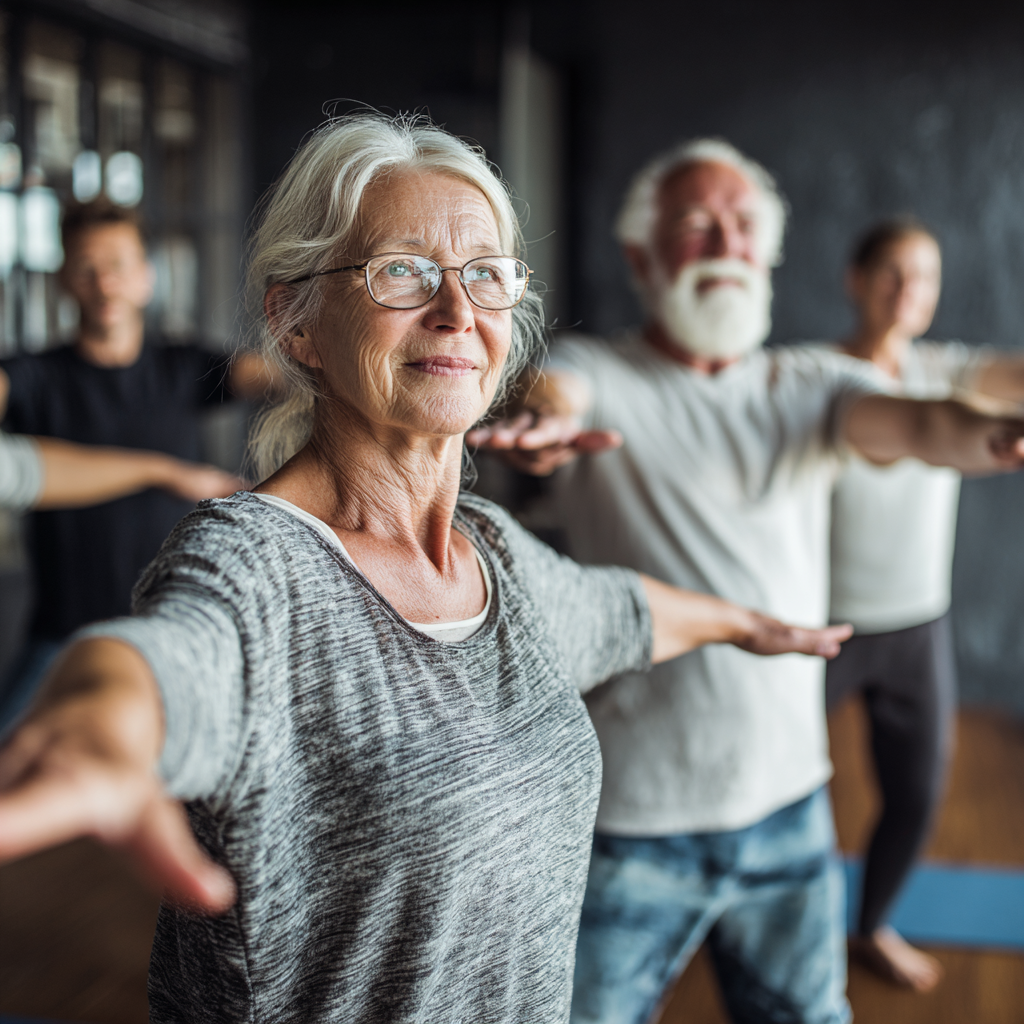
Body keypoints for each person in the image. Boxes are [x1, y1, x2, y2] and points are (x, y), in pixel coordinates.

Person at [0, 115, 851, 1024]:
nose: (456, 313)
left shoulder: (494, 555)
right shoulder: (257, 564)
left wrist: (745, 623)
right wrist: (103, 722)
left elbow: (619, 609)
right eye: (401, 271)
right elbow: (171, 657)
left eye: (485, 274)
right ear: (297, 323)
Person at [470, 139, 1024, 1024]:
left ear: (767, 254)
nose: (725, 242)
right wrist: (539, 415)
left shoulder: (809, 384)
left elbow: (923, 422)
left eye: (742, 226)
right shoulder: (605, 375)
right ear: (641, 256)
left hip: (789, 815)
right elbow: (553, 390)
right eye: (697, 225)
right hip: (629, 825)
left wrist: (996, 437)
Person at [820, 218, 1024, 992]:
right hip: (823, 624)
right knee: (779, 792)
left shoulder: (948, 369)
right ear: (856, 279)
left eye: (925, 278)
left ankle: (871, 926)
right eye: (892, 274)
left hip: (916, 627)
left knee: (919, 791)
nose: (909, 293)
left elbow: (1007, 379)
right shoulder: (812, 375)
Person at [0, 201, 273, 709]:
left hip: (175, 634)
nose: (105, 284)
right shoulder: (34, 376)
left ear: (146, 278)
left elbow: (281, 379)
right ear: (64, 279)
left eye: (119, 267)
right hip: (66, 638)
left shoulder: (182, 364)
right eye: (87, 268)